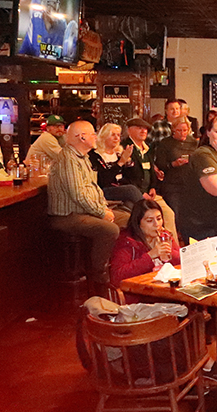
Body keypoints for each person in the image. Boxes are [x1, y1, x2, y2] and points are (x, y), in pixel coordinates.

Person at [47, 121, 130, 284]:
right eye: (93, 133)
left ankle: (119, 266)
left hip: (84, 212)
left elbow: (93, 189)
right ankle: (98, 276)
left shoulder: (82, 157)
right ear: (82, 137)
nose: (96, 137)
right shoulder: (68, 159)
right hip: (68, 216)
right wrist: (101, 213)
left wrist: (104, 208)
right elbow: (78, 195)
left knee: (129, 218)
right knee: (109, 229)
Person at [109, 199, 181, 302]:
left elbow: (183, 262)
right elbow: (117, 276)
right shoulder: (127, 242)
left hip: (167, 293)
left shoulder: (165, 236)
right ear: (138, 223)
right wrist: (150, 256)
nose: (157, 224)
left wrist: (170, 253)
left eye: (159, 219)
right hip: (141, 298)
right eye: (149, 221)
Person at [154, 118, 197, 222]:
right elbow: (160, 163)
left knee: (190, 214)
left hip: (189, 182)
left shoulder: (193, 142)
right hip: (172, 184)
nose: (182, 133)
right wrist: (174, 164)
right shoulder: (166, 143)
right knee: (175, 212)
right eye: (179, 130)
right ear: (173, 130)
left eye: (185, 130)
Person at [89, 123, 143, 204]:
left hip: (123, 190)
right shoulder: (95, 156)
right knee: (131, 190)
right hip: (105, 190)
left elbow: (136, 178)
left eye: (118, 135)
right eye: (113, 135)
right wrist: (120, 163)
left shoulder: (119, 153)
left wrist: (128, 162)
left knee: (131, 204)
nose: (116, 138)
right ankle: (147, 210)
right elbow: (103, 181)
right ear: (104, 136)